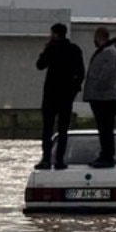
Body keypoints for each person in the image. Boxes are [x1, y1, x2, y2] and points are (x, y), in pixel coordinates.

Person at [35, 23, 85, 170]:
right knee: (63, 129)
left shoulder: (52, 48)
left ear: (55, 34)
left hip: (51, 94)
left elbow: (40, 65)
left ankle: (46, 159)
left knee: (47, 129)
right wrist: (74, 90)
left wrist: (45, 48)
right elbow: (81, 72)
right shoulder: (74, 49)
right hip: (66, 95)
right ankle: (59, 160)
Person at [82, 26, 116, 168]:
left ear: (99, 37)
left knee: (105, 128)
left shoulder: (108, 52)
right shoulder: (107, 51)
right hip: (102, 96)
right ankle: (105, 154)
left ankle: (107, 156)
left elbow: (108, 74)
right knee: (103, 128)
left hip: (104, 97)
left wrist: (97, 87)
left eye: (95, 37)